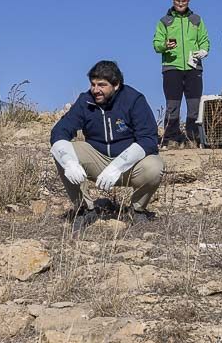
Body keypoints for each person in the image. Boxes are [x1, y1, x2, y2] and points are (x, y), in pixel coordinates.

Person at [50, 60, 164, 223]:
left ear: (116, 84)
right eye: (93, 84)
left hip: (129, 165)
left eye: (102, 85)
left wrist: (118, 166)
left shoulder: (134, 99)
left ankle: (137, 210)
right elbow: (59, 131)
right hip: (98, 160)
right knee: (64, 150)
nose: (96, 90)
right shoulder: (85, 101)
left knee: (155, 165)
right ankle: (84, 209)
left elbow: (148, 139)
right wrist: (69, 162)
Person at [152, 0, 210, 147]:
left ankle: (193, 138)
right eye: (178, 1)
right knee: (172, 105)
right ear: (173, 1)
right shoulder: (165, 21)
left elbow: (204, 39)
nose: (180, 3)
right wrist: (165, 45)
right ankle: (171, 138)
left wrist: (204, 50)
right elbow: (156, 44)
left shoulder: (196, 19)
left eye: (183, 1)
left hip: (193, 68)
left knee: (194, 105)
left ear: (188, 2)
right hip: (172, 67)